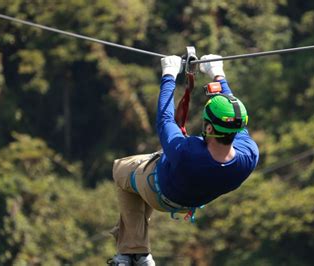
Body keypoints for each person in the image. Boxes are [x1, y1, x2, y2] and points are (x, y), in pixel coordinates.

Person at [110, 54, 259, 265]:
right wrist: (218, 74)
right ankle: (135, 252)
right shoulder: (249, 155)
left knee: (121, 169)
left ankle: (134, 251)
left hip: (159, 191)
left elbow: (165, 119)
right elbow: (236, 120)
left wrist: (169, 75)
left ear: (208, 128)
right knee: (145, 170)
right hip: (190, 201)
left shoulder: (186, 152)